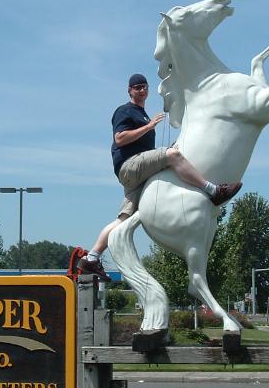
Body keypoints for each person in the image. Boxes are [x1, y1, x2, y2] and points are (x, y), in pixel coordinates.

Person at [78, 73, 242, 280]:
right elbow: (119, 138)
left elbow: (147, 152)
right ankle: (214, 190)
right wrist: (150, 129)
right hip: (129, 167)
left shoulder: (143, 114)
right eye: (137, 87)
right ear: (129, 91)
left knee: (123, 219)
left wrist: (163, 148)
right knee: (172, 156)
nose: (142, 90)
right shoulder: (125, 110)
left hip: (137, 171)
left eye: (145, 86)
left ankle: (91, 257)